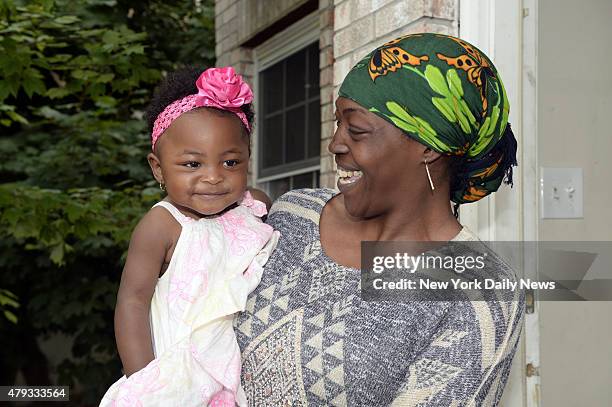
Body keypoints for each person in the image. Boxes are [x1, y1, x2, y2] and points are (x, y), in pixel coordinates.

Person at [235, 33, 524, 406]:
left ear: (428, 147)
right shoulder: (294, 214)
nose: (335, 143)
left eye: (356, 130)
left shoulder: (478, 293)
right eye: (338, 124)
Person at [100, 66, 279, 406]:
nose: (213, 177)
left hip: (235, 374)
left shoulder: (254, 208)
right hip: (175, 375)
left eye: (230, 163)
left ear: (248, 161)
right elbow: (132, 302)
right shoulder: (162, 225)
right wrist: (145, 382)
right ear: (158, 168)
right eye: (193, 165)